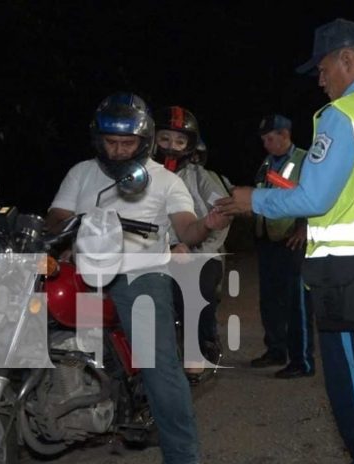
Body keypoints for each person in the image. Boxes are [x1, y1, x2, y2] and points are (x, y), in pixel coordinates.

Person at [216, 18, 354, 464]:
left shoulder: (345, 116)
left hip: (347, 276)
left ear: (348, 60)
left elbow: (314, 197)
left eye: (322, 68)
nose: (320, 80)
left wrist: (250, 200)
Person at [46, 92, 229, 464]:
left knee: (158, 364)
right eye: (110, 142)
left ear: (143, 141)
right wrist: (56, 233)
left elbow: (186, 228)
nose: (117, 151)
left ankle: (183, 455)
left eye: (126, 143)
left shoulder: (164, 181)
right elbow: (57, 216)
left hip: (140, 274)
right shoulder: (81, 172)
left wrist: (206, 224)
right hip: (83, 268)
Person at [153, 105, 232, 381]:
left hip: (199, 254)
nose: (171, 147)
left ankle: (197, 347)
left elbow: (222, 215)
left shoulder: (201, 177)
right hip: (153, 252)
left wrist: (196, 250)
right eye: (164, 139)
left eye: (179, 141)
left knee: (194, 285)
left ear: (190, 145)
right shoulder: (140, 175)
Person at [248, 114, 315, 379]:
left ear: (285, 135)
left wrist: (304, 227)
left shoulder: (306, 160)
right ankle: (276, 350)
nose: (266, 144)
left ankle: (302, 361)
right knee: (270, 300)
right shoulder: (268, 161)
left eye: (270, 138)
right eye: (263, 140)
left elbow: (315, 196)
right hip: (268, 239)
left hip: (292, 239)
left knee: (296, 303)